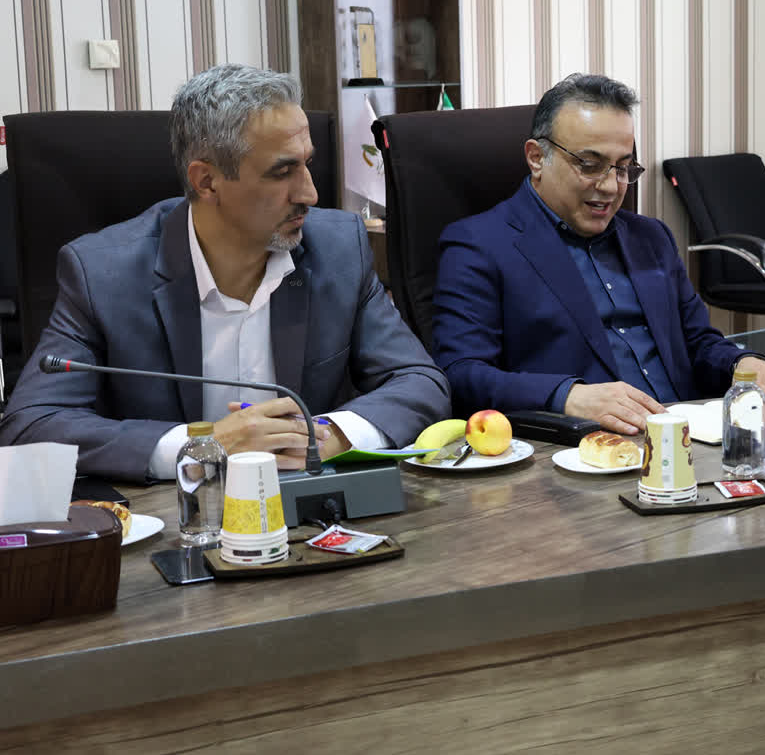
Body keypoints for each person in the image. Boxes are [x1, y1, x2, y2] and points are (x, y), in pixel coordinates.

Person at [0, 64, 450, 481]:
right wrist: (202, 446)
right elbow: (32, 424)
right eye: (283, 172)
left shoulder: (338, 249)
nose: (310, 194)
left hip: (309, 508)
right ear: (206, 181)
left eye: (307, 163)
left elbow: (421, 382)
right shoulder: (102, 274)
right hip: (176, 519)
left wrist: (331, 435)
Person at [431, 73, 765, 435]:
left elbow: (697, 342)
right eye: (589, 165)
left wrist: (741, 362)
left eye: (623, 168)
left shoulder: (651, 237)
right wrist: (567, 396)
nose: (611, 187)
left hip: (690, 437)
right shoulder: (478, 245)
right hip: (583, 452)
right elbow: (461, 374)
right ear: (536, 157)